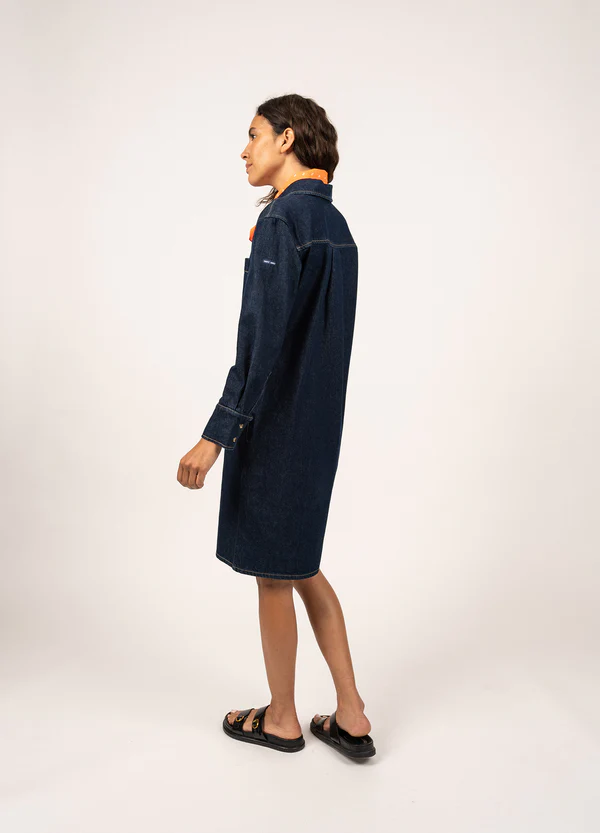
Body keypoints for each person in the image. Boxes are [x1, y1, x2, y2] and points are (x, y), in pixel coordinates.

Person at [177, 94, 375, 759]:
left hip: (276, 427)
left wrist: (216, 434)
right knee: (303, 563)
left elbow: (260, 344)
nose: (244, 149)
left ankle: (283, 717)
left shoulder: (282, 220)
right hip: (319, 429)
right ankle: (352, 714)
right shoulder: (336, 223)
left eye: (254, 134)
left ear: (287, 139)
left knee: (273, 574)